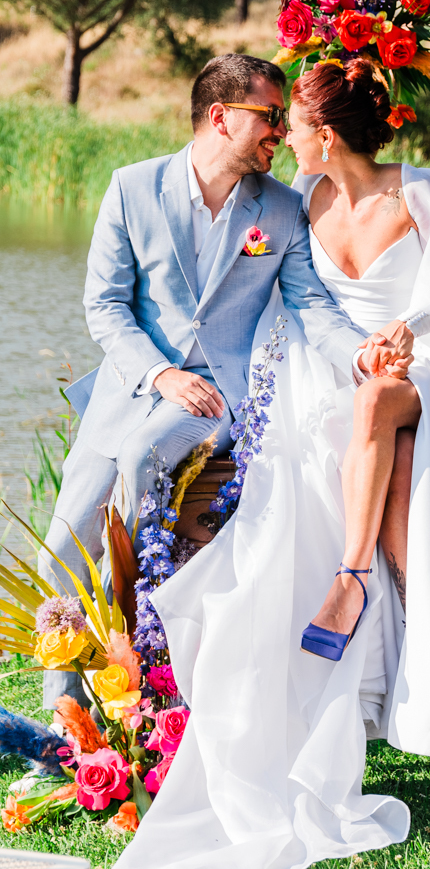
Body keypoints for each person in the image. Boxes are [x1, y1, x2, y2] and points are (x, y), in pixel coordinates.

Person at [119, 57, 430, 869]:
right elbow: (299, 306)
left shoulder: (420, 193)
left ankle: (352, 581)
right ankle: (357, 609)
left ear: (326, 134)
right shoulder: (301, 204)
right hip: (354, 371)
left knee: (379, 404)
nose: (280, 140)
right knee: (359, 426)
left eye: (291, 127)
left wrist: (409, 332)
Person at [39, 53, 411, 709]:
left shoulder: (282, 210)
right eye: (269, 116)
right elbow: (105, 306)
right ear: (220, 117)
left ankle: (121, 694)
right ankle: (64, 720)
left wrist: (362, 356)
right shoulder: (131, 188)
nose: (280, 129)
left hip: (218, 397)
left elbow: (312, 307)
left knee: (137, 478)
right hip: (131, 389)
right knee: (59, 551)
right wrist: (159, 373)